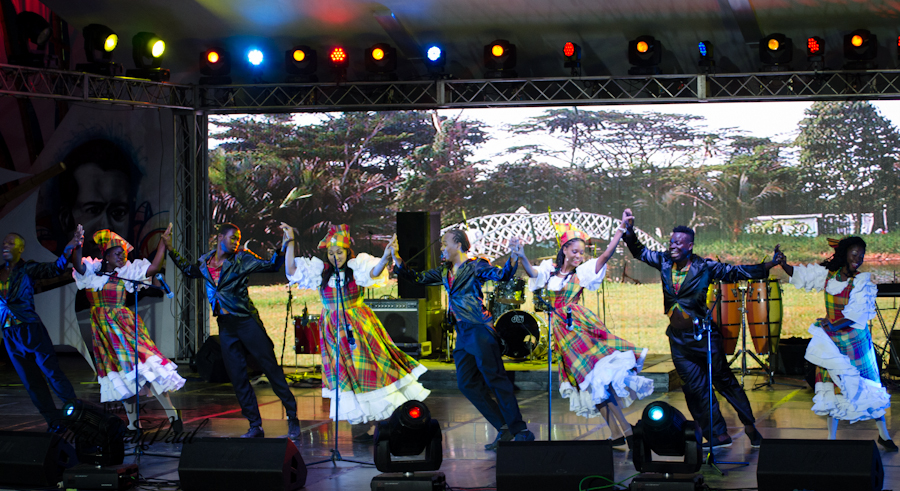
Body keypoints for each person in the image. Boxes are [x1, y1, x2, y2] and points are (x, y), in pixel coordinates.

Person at [623, 211, 782, 448]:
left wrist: (769, 264)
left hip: (704, 337)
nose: (673, 246)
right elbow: (640, 252)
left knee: (725, 382)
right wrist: (629, 231)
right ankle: (718, 436)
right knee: (695, 391)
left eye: (678, 243)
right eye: (671, 242)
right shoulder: (664, 261)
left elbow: (735, 272)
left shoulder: (704, 267)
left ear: (690, 246)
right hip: (679, 341)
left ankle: (749, 425)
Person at [512, 211, 653, 451]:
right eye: (575, 251)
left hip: (580, 329)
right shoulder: (549, 272)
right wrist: (522, 256)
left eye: (582, 253)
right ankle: (617, 434)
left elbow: (605, 256)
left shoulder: (582, 273)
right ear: (564, 249)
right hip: (563, 335)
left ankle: (627, 432)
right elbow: (532, 273)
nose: (579, 256)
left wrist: (620, 229)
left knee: (599, 380)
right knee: (588, 384)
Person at [282, 224, 429, 442]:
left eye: (339, 252)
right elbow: (292, 270)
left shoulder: (355, 268)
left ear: (347, 251)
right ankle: (360, 428)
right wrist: (291, 241)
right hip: (333, 332)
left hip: (358, 327)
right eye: (331, 253)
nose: (335, 257)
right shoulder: (321, 272)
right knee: (346, 375)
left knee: (368, 370)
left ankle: (385, 422)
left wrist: (386, 257)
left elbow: (374, 272)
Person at [393, 229, 534, 450]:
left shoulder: (476, 266)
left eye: (444, 243)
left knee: (496, 380)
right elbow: (417, 278)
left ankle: (520, 430)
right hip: (462, 332)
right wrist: (396, 258)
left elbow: (502, 275)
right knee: (466, 383)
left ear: (458, 244)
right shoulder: (444, 271)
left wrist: (514, 256)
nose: (441, 248)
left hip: (479, 329)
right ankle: (503, 427)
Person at [164, 223, 301, 439]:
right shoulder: (205, 262)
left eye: (238, 238)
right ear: (220, 237)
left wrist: (284, 246)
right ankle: (255, 425)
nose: (236, 242)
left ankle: (292, 416)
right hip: (226, 326)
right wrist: (170, 248)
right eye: (232, 237)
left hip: (246, 322)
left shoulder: (242, 259)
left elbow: (271, 266)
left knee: (270, 369)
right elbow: (188, 270)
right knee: (237, 377)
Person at [780, 236, 896, 450]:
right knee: (831, 388)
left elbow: (855, 315)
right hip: (832, 343)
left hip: (855, 343)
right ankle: (831, 440)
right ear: (844, 254)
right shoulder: (828, 276)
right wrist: (783, 264)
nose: (858, 259)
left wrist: (833, 325)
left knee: (867, 387)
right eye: (854, 254)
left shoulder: (861, 282)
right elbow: (802, 275)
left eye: (861, 256)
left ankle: (884, 435)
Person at [71, 226, 185, 431]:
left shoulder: (126, 273)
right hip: (104, 332)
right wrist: (77, 244)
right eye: (117, 253)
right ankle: (134, 424)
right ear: (106, 255)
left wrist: (162, 243)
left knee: (146, 368)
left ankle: (172, 414)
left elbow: (153, 269)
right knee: (123, 377)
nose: (122, 256)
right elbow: (78, 266)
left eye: (123, 253)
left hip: (125, 327)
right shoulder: (92, 272)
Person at [0, 230, 78, 429]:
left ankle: (77, 414)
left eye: (11, 243)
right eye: (4, 243)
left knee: (52, 373)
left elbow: (55, 269)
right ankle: (53, 421)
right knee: (31, 382)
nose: (6, 246)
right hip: (10, 334)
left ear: (21, 248)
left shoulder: (27, 268)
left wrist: (68, 249)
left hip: (31, 330)